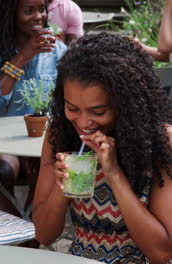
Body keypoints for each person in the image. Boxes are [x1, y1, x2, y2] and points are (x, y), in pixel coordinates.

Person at [33, 32, 172, 263]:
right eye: (72, 108)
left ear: (125, 104)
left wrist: (114, 174)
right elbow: (45, 235)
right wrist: (62, 186)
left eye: (98, 112)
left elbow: (161, 253)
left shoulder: (160, 141)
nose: (84, 122)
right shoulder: (60, 135)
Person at [0, 0, 66, 217]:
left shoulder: (56, 51)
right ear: (11, 14)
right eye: (28, 11)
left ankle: (30, 235)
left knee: (44, 171)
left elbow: (67, 106)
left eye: (41, 9)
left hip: (41, 142)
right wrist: (22, 58)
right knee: (1, 171)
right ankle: (11, 231)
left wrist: (40, 147)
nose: (38, 16)